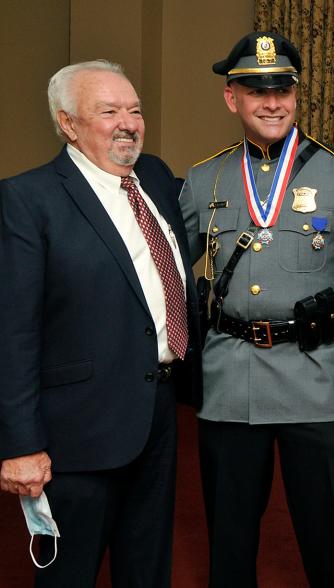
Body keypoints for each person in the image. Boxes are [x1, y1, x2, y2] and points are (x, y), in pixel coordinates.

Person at [178, 32, 334, 587]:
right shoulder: (205, 180)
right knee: (228, 550)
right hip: (231, 384)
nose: (271, 101)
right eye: (256, 89)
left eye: (282, 87)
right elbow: (166, 274)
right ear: (233, 98)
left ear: (297, 94)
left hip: (317, 384)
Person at [0, 60, 199, 586]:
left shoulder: (154, 176)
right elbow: (13, 332)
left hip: (157, 411)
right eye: (108, 111)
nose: (127, 123)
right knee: (71, 573)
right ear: (68, 123)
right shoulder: (27, 199)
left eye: (134, 110)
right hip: (77, 429)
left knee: (148, 565)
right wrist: (20, 444)